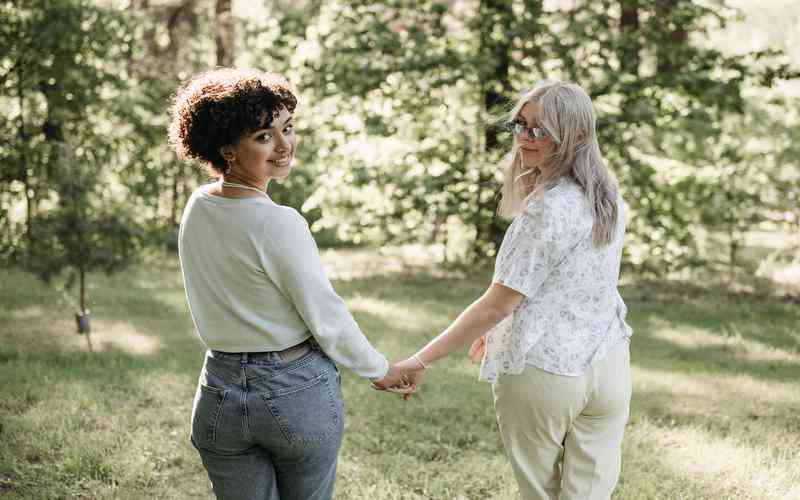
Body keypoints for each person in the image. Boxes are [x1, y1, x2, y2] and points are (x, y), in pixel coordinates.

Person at [383, 81, 634, 500]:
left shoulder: (548, 208)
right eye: (520, 124)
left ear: (572, 137)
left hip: (546, 371)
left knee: (540, 492)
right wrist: (501, 325)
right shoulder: (607, 195)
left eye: (539, 130)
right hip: (608, 367)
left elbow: (499, 303)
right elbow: (570, 282)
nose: (523, 137)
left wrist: (421, 359)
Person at [168, 68, 409, 500]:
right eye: (264, 136)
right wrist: (381, 370)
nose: (284, 146)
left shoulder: (197, 206)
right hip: (292, 392)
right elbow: (327, 317)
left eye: (287, 128)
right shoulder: (278, 222)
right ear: (227, 150)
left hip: (218, 393)